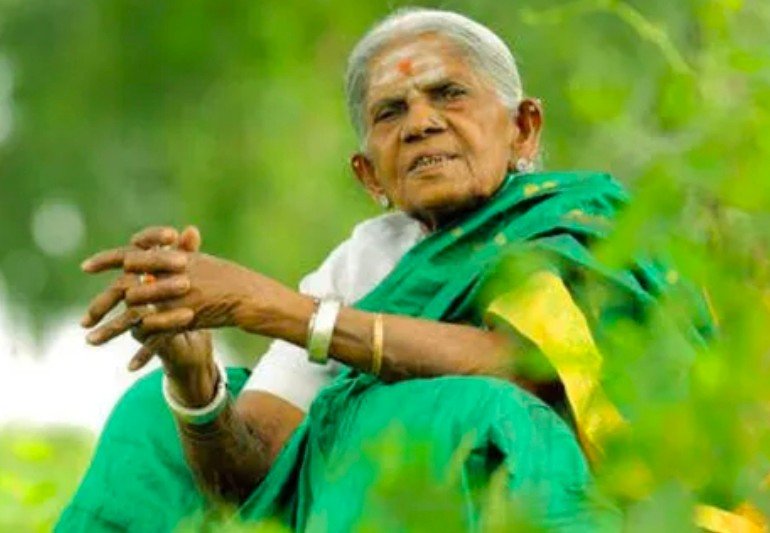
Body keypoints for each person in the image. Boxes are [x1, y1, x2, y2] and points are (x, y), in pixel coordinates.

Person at [56, 7, 713, 532]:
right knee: (156, 417)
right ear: (369, 173)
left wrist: (287, 313)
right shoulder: (359, 263)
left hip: (594, 500)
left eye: (449, 94)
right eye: (391, 112)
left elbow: (536, 374)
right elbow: (256, 475)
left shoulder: (580, 224)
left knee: (451, 413)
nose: (421, 123)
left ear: (523, 129)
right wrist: (194, 381)